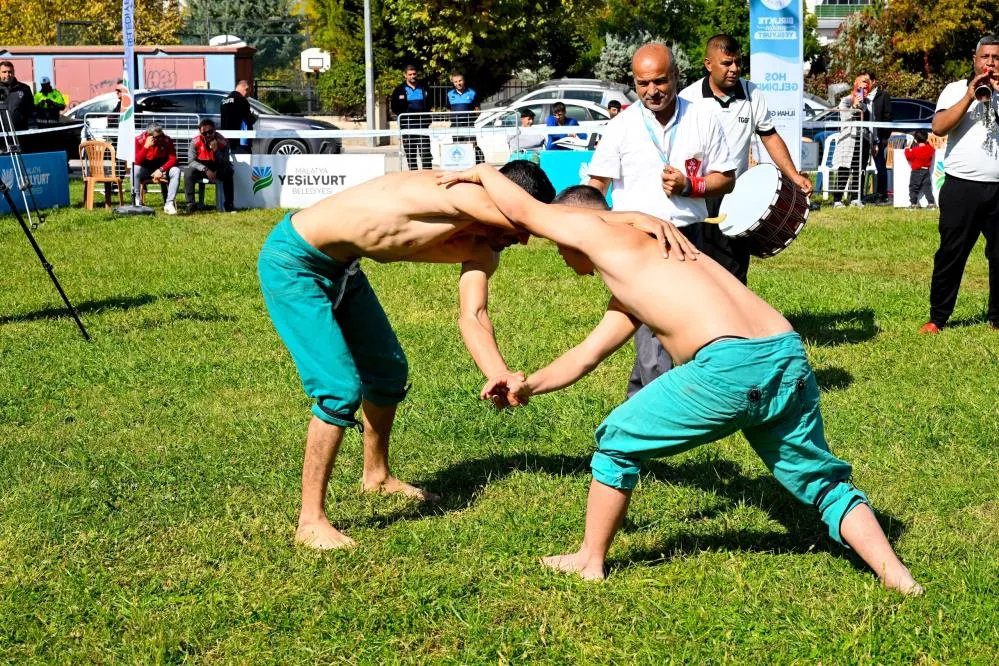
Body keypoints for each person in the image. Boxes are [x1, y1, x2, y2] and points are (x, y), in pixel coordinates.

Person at [440, 164, 923, 596]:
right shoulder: (646, 256)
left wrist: (482, 171)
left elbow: (526, 210)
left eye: (558, 243)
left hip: (730, 367)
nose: (561, 256)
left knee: (615, 440)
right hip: (787, 355)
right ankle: (897, 576)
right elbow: (586, 356)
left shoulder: (597, 234)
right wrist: (526, 385)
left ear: (575, 230)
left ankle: (589, 560)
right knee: (823, 482)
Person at [258, 161, 694, 550]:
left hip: (343, 268)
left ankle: (377, 476)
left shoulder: (481, 243)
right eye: (516, 228)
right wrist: (635, 218)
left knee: (388, 372)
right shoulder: (458, 194)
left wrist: (499, 373)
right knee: (338, 389)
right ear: (499, 202)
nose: (522, 241)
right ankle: (310, 520)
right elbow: (541, 218)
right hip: (295, 262)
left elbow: (474, 314)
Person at [586, 42, 737, 398]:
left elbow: (726, 177)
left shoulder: (703, 118)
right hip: (640, 243)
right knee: (653, 332)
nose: (651, 91)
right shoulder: (621, 126)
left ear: (676, 76)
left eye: (659, 82)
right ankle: (656, 415)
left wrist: (692, 185)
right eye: (642, 84)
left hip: (692, 238)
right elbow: (597, 185)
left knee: (685, 325)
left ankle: (640, 403)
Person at [679, 34, 813, 284]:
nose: (734, 69)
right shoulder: (688, 99)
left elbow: (769, 136)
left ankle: (736, 319)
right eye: (726, 63)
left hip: (736, 194)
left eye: (738, 63)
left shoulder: (752, 93)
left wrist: (794, 176)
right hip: (700, 193)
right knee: (699, 266)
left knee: (735, 268)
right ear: (708, 64)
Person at [920, 35, 999, 334]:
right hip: (961, 186)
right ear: (975, 59)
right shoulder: (955, 89)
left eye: (996, 58)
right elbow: (938, 126)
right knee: (951, 254)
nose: (991, 63)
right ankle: (937, 318)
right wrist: (969, 96)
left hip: (997, 186)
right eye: (986, 57)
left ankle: (997, 318)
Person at [832, 73, 873, 208]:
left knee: (860, 170)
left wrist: (875, 142)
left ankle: (856, 198)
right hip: (848, 140)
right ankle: (837, 199)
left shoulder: (869, 104)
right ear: (855, 87)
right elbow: (844, 116)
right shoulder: (846, 100)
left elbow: (872, 123)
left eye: (866, 88)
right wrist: (854, 106)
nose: (863, 91)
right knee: (844, 169)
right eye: (861, 88)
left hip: (864, 140)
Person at [184, 118, 234, 213]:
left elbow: (225, 162)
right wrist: (205, 169)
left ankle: (229, 205)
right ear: (200, 133)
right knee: (188, 172)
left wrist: (216, 151)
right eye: (204, 133)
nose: (208, 135)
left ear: (215, 130)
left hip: (218, 167)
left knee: (228, 171)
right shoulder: (195, 142)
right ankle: (190, 205)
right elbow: (191, 161)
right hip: (202, 167)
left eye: (210, 132)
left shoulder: (223, 142)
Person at [134, 121, 181, 215]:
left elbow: (173, 159)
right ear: (149, 135)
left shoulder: (167, 140)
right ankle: (137, 201)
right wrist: (146, 146)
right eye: (157, 137)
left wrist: (161, 170)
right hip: (146, 168)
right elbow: (137, 161)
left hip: (162, 168)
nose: (160, 138)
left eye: (161, 135)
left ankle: (169, 203)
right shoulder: (139, 140)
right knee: (135, 169)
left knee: (176, 171)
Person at [391, 65, 433, 170]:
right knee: (411, 155)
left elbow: (430, 103)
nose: (413, 76)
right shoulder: (399, 90)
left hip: (422, 126)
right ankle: (413, 177)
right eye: (410, 74)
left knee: (425, 153)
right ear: (405, 75)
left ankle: (427, 177)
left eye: (414, 74)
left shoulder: (424, 88)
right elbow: (394, 107)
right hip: (407, 126)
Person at [446, 72, 483, 163]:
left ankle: (475, 166)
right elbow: (448, 109)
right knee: (458, 147)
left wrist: (474, 120)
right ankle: (460, 168)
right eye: (455, 82)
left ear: (464, 81)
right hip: (456, 125)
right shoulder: (449, 94)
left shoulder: (472, 92)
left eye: (460, 81)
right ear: (453, 83)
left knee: (471, 146)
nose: (458, 83)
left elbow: (477, 109)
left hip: (469, 124)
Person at [867, 73, 893, 203]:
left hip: (878, 138)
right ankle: (858, 195)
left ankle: (882, 194)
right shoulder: (862, 95)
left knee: (880, 166)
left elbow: (888, 117)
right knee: (860, 166)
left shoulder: (883, 96)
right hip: (865, 137)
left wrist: (883, 138)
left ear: (873, 81)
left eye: (867, 81)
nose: (865, 84)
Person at [220, 79, 257, 155]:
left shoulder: (224, 100)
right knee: (245, 165)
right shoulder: (241, 100)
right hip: (240, 142)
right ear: (245, 88)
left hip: (226, 141)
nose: (247, 95)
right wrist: (254, 117)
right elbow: (248, 120)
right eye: (248, 93)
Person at [904, 129, 936, 209]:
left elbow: (908, 157)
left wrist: (907, 148)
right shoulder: (930, 149)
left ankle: (914, 204)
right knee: (927, 188)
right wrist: (927, 141)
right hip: (926, 171)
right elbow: (932, 148)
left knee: (913, 188)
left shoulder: (915, 150)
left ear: (915, 140)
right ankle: (931, 203)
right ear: (926, 139)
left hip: (916, 171)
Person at [0, 60, 35, 131]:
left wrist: (32, 127)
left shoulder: (24, 89)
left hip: (19, 131)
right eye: (4, 72)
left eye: (10, 72)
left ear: (14, 72)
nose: (7, 75)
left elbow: (30, 110)